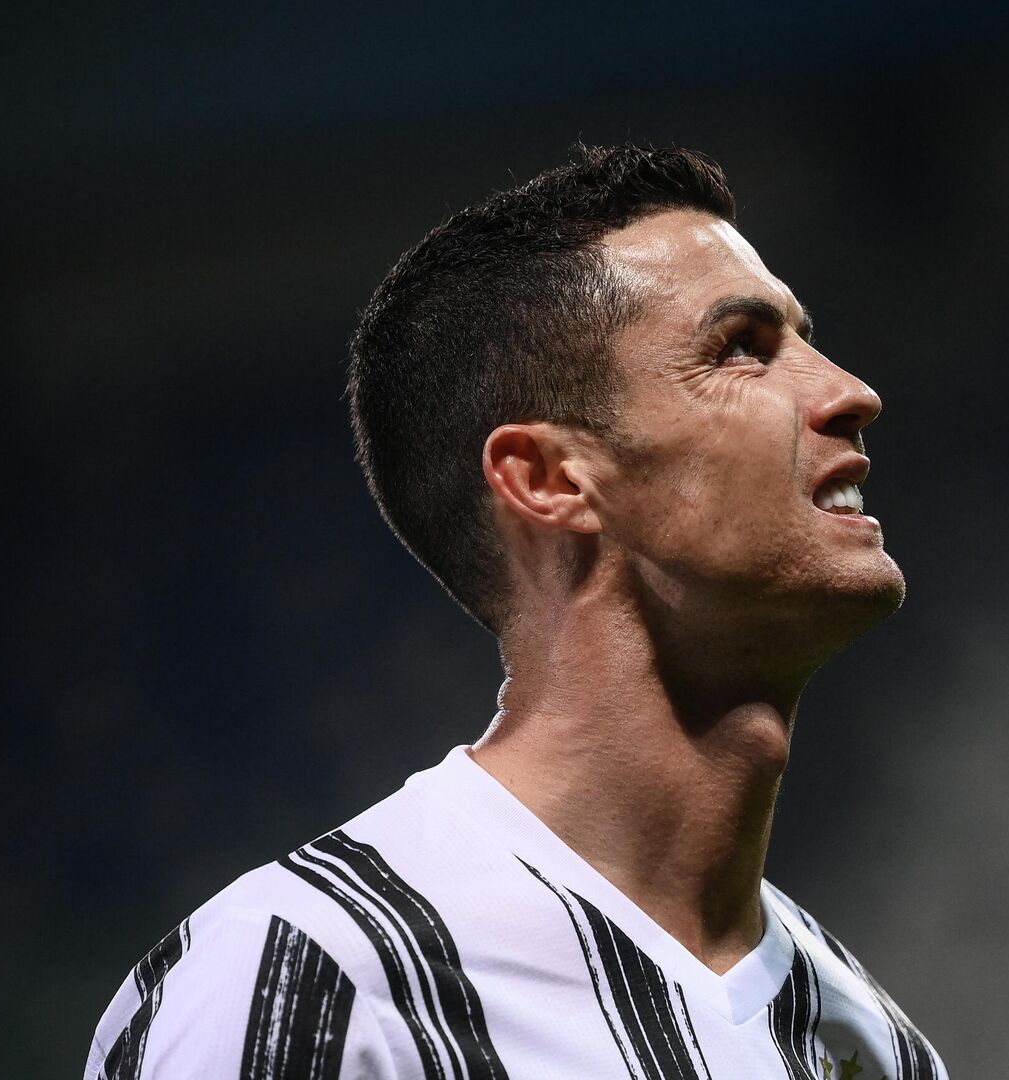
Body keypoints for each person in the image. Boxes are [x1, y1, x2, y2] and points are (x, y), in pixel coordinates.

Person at [84, 144, 947, 1080]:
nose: (849, 393)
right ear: (548, 480)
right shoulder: (319, 976)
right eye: (740, 348)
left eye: (806, 340)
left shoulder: (869, 1044)